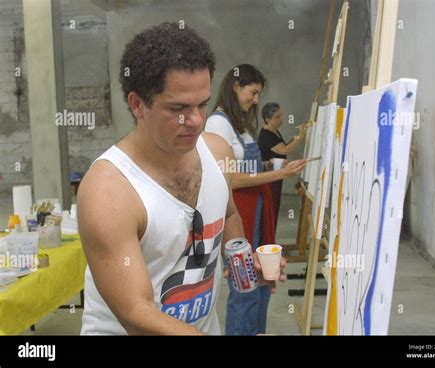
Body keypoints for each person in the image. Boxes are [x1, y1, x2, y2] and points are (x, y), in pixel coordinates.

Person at [78, 23, 285, 335]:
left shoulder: (216, 152)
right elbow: (136, 313)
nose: (197, 120)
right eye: (178, 108)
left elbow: (227, 213)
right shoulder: (109, 190)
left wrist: (242, 258)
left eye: (202, 104)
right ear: (137, 104)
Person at [205, 64, 306, 335]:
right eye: (253, 92)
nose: (256, 100)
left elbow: (245, 166)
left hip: (257, 208)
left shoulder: (241, 124)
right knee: (244, 285)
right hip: (239, 213)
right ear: (236, 86)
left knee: (262, 279)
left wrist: (268, 163)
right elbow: (231, 179)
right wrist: (279, 174)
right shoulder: (217, 124)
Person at [258, 102, 309, 226]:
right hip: (269, 178)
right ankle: (267, 240)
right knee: (270, 209)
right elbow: (285, 149)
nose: (281, 120)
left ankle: (270, 237)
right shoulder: (266, 135)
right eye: (277, 117)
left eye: (281, 116)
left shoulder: (275, 131)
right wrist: (300, 136)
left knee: (274, 207)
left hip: (276, 176)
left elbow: (284, 148)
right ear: (267, 119)